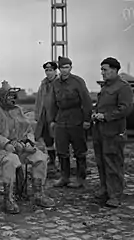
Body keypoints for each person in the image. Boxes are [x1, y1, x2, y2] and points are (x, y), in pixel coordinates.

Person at [0, 82, 55, 214]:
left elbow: (28, 130)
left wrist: (29, 142)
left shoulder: (18, 111)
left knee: (40, 158)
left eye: (13, 96)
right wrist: (6, 143)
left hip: (20, 148)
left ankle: (39, 194)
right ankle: (8, 198)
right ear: (2, 97)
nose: (12, 99)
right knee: (10, 161)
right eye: (9, 96)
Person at [92, 57, 133, 208]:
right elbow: (101, 105)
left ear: (115, 70)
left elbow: (126, 109)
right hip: (100, 131)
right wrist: (95, 112)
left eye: (105, 70)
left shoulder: (123, 87)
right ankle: (105, 190)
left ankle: (115, 195)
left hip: (114, 133)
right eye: (101, 70)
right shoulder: (106, 87)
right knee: (101, 162)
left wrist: (106, 116)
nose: (102, 73)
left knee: (113, 163)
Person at [49, 56, 93, 188]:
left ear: (71, 68)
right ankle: (64, 177)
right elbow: (52, 103)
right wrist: (52, 120)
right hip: (61, 119)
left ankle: (81, 178)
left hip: (76, 118)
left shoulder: (78, 82)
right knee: (62, 149)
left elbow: (86, 101)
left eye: (67, 67)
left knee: (79, 150)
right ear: (59, 69)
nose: (64, 70)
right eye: (62, 68)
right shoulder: (56, 83)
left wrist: (86, 119)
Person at [35, 61, 59, 173]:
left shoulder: (59, 83)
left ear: (55, 71)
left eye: (50, 70)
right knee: (47, 139)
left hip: (55, 116)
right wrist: (37, 115)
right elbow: (39, 100)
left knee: (58, 139)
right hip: (44, 116)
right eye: (46, 70)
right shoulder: (43, 84)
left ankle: (61, 164)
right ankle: (52, 160)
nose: (48, 73)